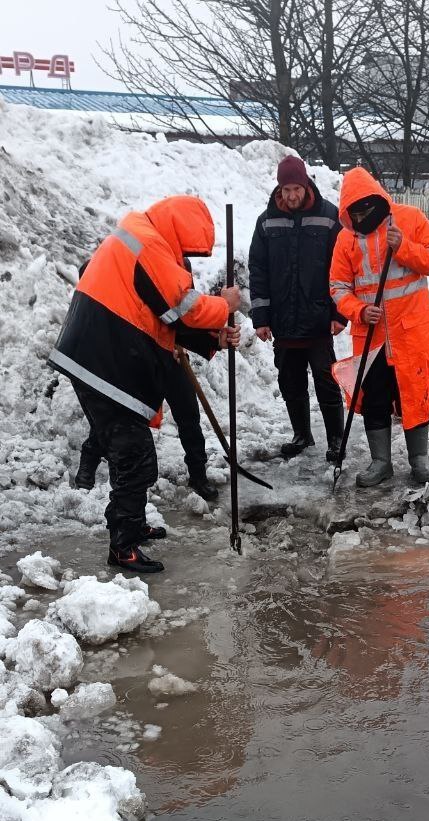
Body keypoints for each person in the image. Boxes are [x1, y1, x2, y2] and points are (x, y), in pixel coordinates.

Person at [49, 195, 240, 573]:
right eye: (187, 248)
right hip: (104, 364)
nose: (185, 256)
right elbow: (180, 307)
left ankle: (131, 525)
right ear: (180, 230)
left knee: (130, 454)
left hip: (100, 361)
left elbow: (160, 316)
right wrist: (224, 305)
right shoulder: (149, 244)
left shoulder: (138, 235)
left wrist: (213, 339)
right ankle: (123, 547)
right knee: (135, 459)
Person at [330, 167, 429, 486]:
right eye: (353, 213)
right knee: (374, 398)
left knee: (414, 392)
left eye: (364, 210)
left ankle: (419, 460)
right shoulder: (345, 239)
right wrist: (358, 310)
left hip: (411, 330)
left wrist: (405, 248)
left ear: (377, 200)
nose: (360, 218)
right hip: (370, 337)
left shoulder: (409, 219)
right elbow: (338, 287)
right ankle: (380, 462)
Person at [74, 261, 223, 503]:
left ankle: (198, 474)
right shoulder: (132, 258)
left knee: (189, 415)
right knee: (122, 419)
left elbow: (184, 314)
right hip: (137, 357)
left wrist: (183, 341)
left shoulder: (181, 263)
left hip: (171, 356)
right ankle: (87, 467)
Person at [248, 155, 346, 461]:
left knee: (326, 381)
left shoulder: (330, 216)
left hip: (318, 319)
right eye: (286, 189)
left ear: (306, 185)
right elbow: (258, 270)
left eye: (296, 189)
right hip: (283, 320)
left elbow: (344, 267)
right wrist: (261, 317)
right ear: (280, 188)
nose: (292, 195)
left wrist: (340, 312)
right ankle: (302, 435)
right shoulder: (266, 221)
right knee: (290, 382)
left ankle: (335, 440)